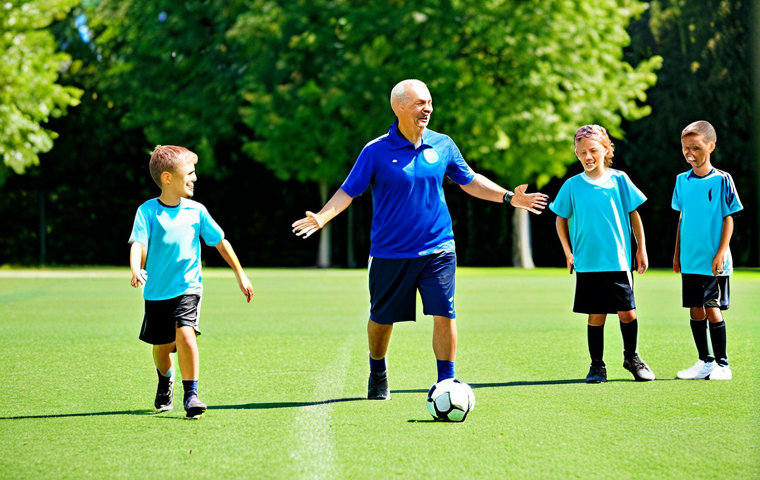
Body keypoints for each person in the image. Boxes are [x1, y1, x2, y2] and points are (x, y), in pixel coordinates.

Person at [292, 79, 549, 400]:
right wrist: (322, 217)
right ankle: (378, 371)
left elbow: (470, 181)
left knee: (445, 312)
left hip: (438, 248)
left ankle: (447, 382)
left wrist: (511, 198)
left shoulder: (443, 144)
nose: (426, 109)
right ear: (399, 107)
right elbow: (348, 191)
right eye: (418, 103)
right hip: (390, 253)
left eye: (428, 102)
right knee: (381, 319)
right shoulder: (375, 151)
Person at [129, 145, 254, 417]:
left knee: (186, 333)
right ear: (167, 178)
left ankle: (192, 395)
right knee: (162, 350)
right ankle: (165, 378)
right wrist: (135, 269)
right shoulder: (147, 211)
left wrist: (240, 273)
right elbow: (138, 242)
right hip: (156, 293)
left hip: (188, 288)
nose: (195, 177)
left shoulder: (197, 211)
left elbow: (220, 242)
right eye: (190, 172)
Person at [550, 125, 655, 384]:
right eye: (581, 152)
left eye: (593, 150)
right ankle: (597, 366)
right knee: (596, 315)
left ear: (606, 150)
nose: (587, 156)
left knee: (628, 312)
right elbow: (560, 220)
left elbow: (634, 215)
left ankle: (632, 358)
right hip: (587, 263)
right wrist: (568, 251)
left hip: (618, 261)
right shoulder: (572, 186)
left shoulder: (619, 180)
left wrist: (641, 248)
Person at [672, 121, 743, 380]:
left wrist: (721, 253)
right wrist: (677, 254)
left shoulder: (723, 180)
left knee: (713, 308)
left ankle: (723, 365)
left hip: (714, 261)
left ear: (710, 146)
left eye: (695, 147)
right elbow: (682, 219)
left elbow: (729, 218)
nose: (689, 153)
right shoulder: (681, 181)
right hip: (690, 260)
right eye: (684, 148)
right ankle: (705, 362)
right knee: (695, 308)